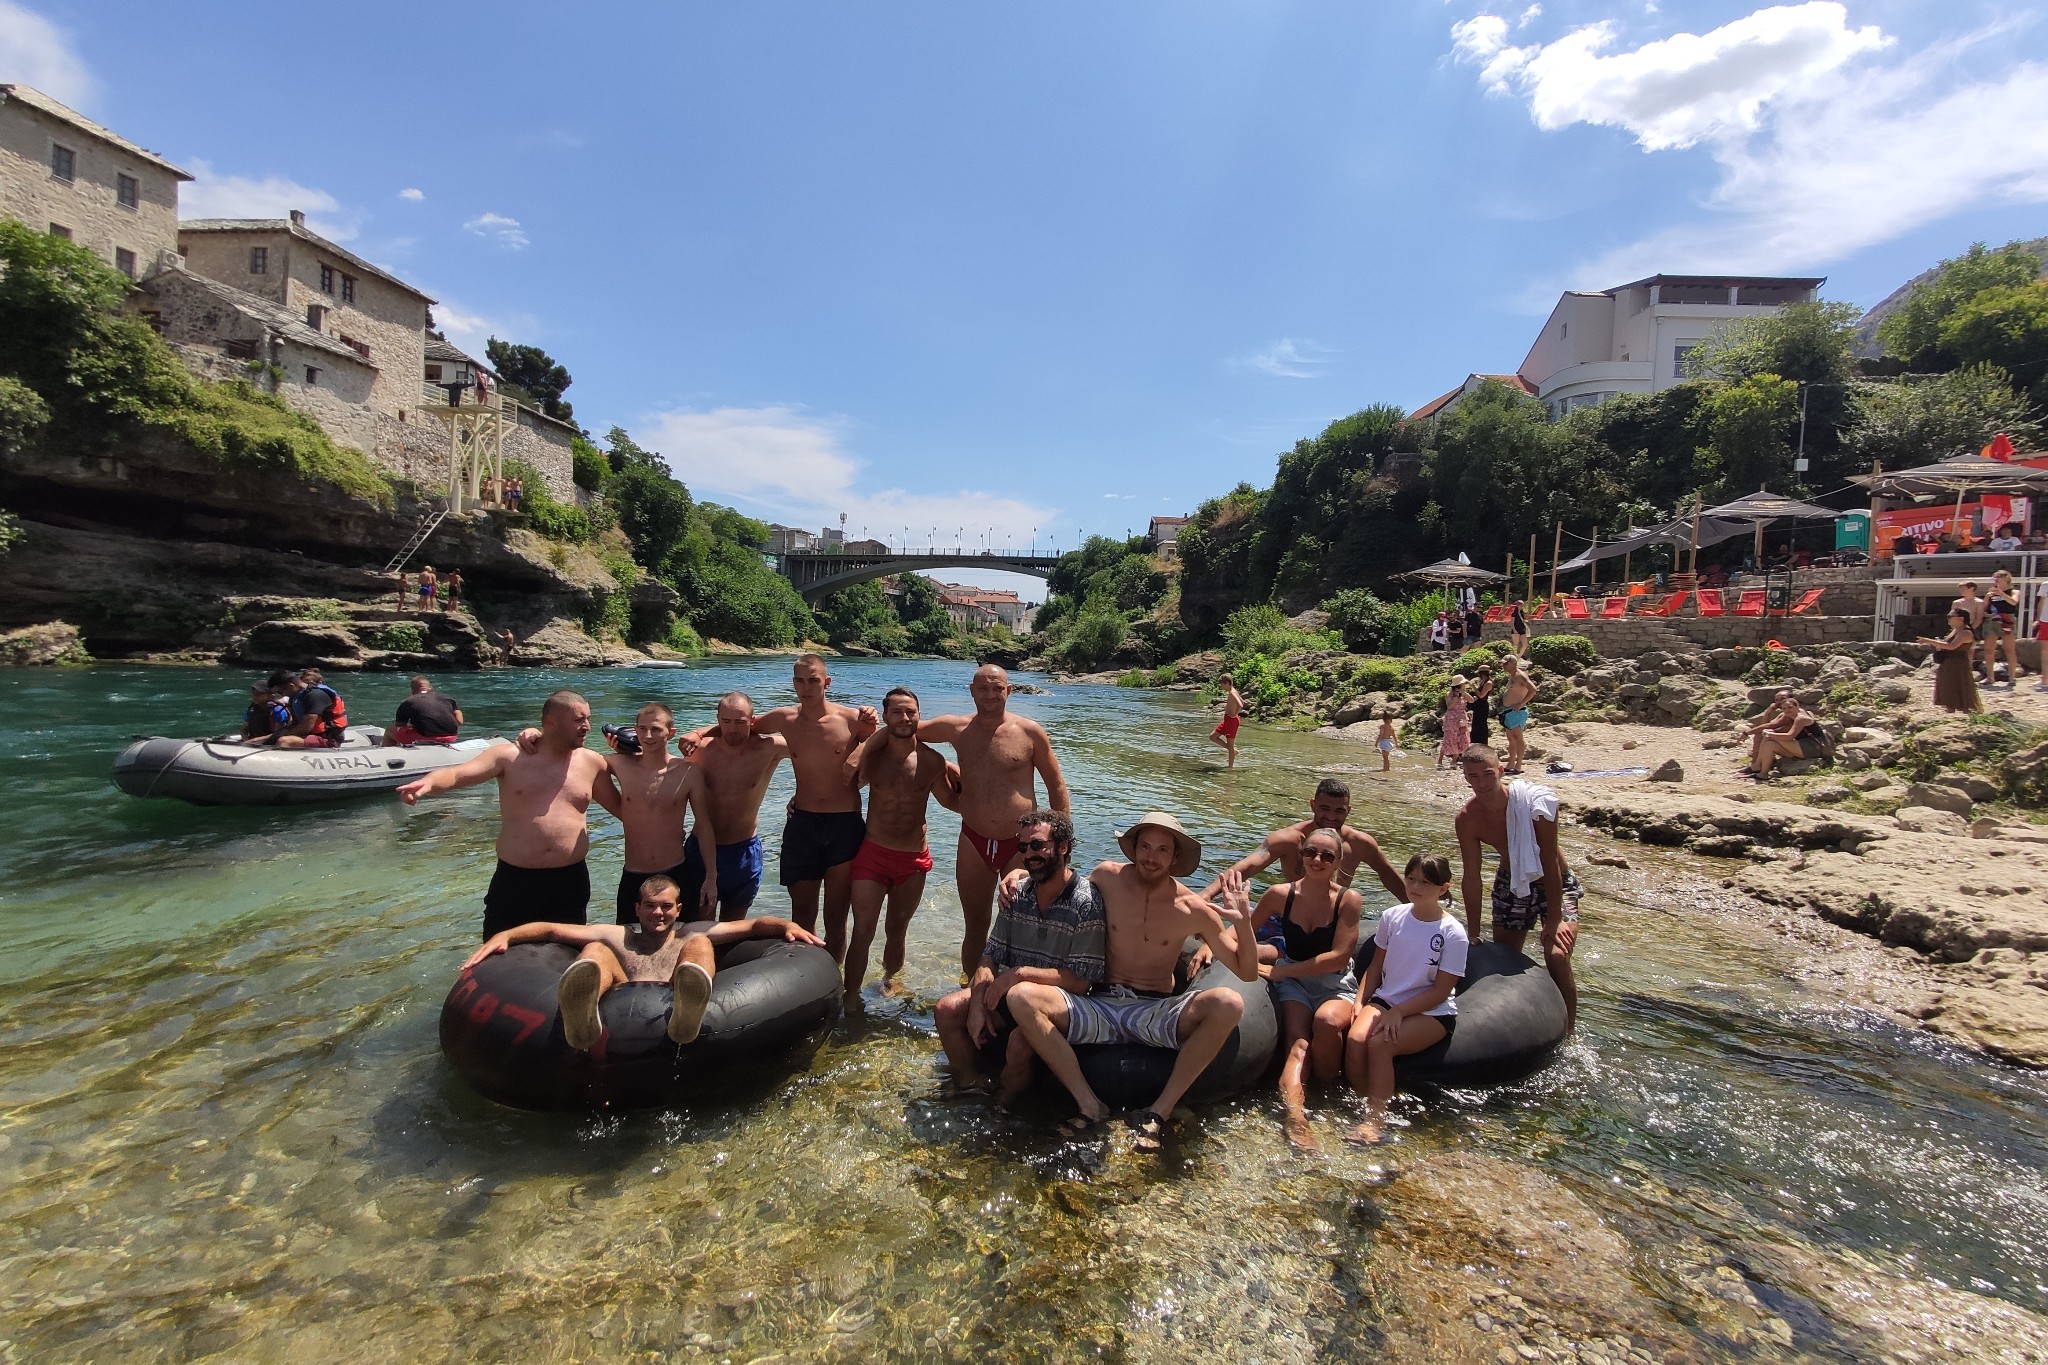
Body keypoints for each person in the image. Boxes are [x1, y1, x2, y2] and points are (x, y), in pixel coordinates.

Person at [1004, 816, 1258, 1151]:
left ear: (1175, 858)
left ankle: (1159, 1111)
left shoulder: (1194, 909)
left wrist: (1243, 924)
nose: (1151, 857)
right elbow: (1059, 878)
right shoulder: (1107, 878)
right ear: (1133, 849)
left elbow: (1247, 972)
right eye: (1145, 847)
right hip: (1100, 1003)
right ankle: (1089, 1104)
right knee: (1021, 995)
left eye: (1162, 850)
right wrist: (1019, 874)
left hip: (1155, 1010)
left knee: (1230, 1003)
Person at [460, 875, 823, 1050]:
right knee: (598, 951)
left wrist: (788, 925)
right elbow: (553, 930)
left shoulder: (691, 930)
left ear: (678, 909)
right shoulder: (619, 935)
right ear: (637, 909)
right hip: (620, 1011)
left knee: (698, 943)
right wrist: (505, 935)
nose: (658, 913)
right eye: (650, 906)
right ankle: (583, 1013)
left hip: (676, 1004)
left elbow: (754, 924)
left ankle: (690, 997)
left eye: (666, 906)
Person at [686, 655, 877, 958]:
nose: (806, 687)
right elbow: (739, 724)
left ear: (826, 682)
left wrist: (862, 748)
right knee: (801, 916)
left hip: (844, 824)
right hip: (802, 824)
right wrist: (696, 734)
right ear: (793, 683)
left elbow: (884, 744)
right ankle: (803, 975)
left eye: (813, 680)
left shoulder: (852, 719)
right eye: (800, 680)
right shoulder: (784, 719)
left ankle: (834, 983)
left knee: (836, 917)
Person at [398, 690, 617, 937]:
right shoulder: (509, 756)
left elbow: (623, 809)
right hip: (516, 881)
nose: (587, 726)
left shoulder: (592, 762)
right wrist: (429, 782)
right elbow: (458, 774)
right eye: (578, 720)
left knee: (563, 959)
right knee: (497, 952)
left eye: (588, 718)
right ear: (551, 723)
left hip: (569, 881)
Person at [934, 809, 1106, 1100]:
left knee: (1018, 1042)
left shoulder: (1085, 902)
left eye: (1038, 845)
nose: (1029, 854)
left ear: (1062, 847)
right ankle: (969, 1084)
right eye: (1023, 847)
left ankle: (1005, 1105)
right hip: (1009, 997)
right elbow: (990, 955)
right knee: (947, 1009)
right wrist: (977, 1003)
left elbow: (1080, 982)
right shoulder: (1017, 893)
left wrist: (1018, 975)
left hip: (1058, 1005)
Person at [918, 664, 1071, 979]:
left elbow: (1056, 786)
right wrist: (940, 764)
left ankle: (1015, 993)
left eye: (997, 688)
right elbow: (904, 730)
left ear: (1009, 691)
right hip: (973, 839)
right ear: (972, 691)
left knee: (1022, 924)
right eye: (983, 688)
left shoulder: (1030, 732)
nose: (990, 695)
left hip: (1021, 844)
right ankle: (970, 991)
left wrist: (1061, 844)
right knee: (975, 924)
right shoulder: (956, 729)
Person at [842, 687, 960, 1002]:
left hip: (912, 859)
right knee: (863, 930)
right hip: (873, 853)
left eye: (910, 711)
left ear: (919, 715)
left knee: (898, 928)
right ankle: (850, 996)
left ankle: (888, 980)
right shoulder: (874, 757)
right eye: (897, 711)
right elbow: (844, 781)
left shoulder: (933, 761)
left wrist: (990, 806)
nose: (905, 717)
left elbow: (950, 800)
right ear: (886, 717)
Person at [1343, 853, 1468, 1145]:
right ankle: (1362, 1101)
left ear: (1443, 888)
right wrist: (1360, 1001)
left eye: (1425, 882)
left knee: (1380, 1043)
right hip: (1387, 998)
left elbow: (1440, 990)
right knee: (1355, 1039)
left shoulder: (1452, 933)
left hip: (1432, 1010)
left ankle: (1375, 1121)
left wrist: (1398, 1012)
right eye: (1411, 878)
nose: (1415, 886)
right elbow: (1374, 967)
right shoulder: (1392, 917)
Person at [1456, 746, 1579, 1030]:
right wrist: (1473, 932)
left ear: (1500, 771)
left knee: (1557, 956)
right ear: (1465, 778)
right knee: (1503, 957)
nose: (1482, 783)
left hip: (1555, 883)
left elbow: (1548, 858)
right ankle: (1516, 1025)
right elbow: (1472, 877)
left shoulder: (1534, 805)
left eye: (1488, 774)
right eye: (1473, 777)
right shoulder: (1467, 818)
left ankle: (1569, 1029)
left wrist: (1555, 918)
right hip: (1512, 884)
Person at [1261, 826, 1363, 1153]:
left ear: (1339, 861)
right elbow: (1243, 932)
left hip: (1334, 982)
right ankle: (1296, 1117)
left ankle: (1328, 1088)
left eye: (1327, 855)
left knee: (1328, 1023)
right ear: (1302, 853)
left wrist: (1281, 971)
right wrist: (1208, 947)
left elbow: (1338, 958)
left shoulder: (1348, 900)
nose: (1317, 859)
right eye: (1310, 852)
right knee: (1298, 1041)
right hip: (1294, 981)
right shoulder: (1280, 894)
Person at [1204, 777, 1407, 929]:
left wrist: (1423, 909)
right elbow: (1248, 866)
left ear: (1349, 810)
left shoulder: (1360, 844)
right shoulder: (1289, 839)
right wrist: (1206, 894)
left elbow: (1388, 876)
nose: (1330, 817)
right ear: (1312, 805)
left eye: (1339, 811)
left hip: (1330, 919)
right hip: (1289, 916)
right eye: (1324, 808)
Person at [680, 691, 786, 921]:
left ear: (752, 720)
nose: (732, 729)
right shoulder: (700, 750)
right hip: (701, 850)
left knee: (733, 931)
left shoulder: (769, 747)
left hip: (744, 851)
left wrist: (802, 795)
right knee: (696, 929)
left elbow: (813, 749)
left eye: (740, 722)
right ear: (717, 720)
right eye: (726, 722)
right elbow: (667, 779)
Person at [1744, 690, 1821, 780]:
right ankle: (1763, 773)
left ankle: (1756, 765)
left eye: (1790, 707)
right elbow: (1767, 725)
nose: (1787, 710)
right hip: (1800, 746)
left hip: (1813, 748)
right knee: (1769, 744)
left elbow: (1789, 736)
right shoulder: (1788, 716)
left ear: (1797, 706)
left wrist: (1767, 734)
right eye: (1784, 708)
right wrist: (1768, 713)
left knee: (1768, 737)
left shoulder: (1800, 717)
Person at [1919, 607, 1983, 714]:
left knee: (1959, 686)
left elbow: (1951, 646)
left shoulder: (1965, 632)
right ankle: (1950, 710)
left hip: (1958, 664)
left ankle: (1965, 712)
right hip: (1947, 662)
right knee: (1948, 686)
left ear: (1961, 618)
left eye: (1950, 616)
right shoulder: (1955, 630)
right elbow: (1945, 643)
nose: (1948, 619)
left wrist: (1928, 641)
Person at [269, 668, 349, 749]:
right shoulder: (295, 697)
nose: (280, 696)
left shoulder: (315, 695)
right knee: (261, 739)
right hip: (310, 735)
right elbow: (295, 724)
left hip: (328, 738)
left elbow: (306, 727)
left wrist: (282, 734)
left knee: (284, 741)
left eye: (280, 693)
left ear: (291, 686)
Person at [384, 675, 462, 746]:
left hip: (424, 738)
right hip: (451, 738)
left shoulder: (408, 701)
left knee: (389, 731)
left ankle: (387, 754)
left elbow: (400, 727)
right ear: (430, 687)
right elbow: (459, 721)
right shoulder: (447, 698)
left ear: (412, 690)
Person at [1497, 653, 1537, 775]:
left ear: (1513, 664)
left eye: (1506, 664)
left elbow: (1533, 689)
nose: (1503, 667)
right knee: (1511, 739)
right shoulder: (1511, 676)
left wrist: (1521, 704)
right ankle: (1511, 763)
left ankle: (1518, 764)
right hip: (1508, 712)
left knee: (1518, 738)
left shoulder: (1521, 676)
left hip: (1517, 712)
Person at [1984, 569, 2023, 686]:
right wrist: (1986, 607)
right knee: (1989, 649)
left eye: (1999, 579)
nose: (1996, 581)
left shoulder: (2014, 591)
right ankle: (1990, 677)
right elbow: (1984, 608)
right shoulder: (1990, 594)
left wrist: (2001, 593)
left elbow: (2013, 602)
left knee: (2009, 649)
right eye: (1995, 579)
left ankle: (2012, 677)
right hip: (1993, 620)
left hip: (2007, 619)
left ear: (2006, 580)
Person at [1953, 581, 1989, 684]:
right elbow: (1952, 616)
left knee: (1970, 651)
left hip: (1972, 629)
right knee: (1955, 650)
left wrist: (1969, 629)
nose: (1961, 591)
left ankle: (1967, 674)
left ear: (1972, 589)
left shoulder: (1979, 602)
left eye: (1963, 588)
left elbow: (1979, 618)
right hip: (1958, 629)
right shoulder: (1957, 603)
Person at [238, 675, 291, 742]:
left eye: (258, 694)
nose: (254, 696)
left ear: (270, 695)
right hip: (252, 742)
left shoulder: (277, 710)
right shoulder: (252, 708)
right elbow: (244, 729)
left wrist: (255, 740)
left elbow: (279, 733)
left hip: (270, 744)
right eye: (253, 693)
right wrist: (247, 740)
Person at [1209, 670, 1244, 768]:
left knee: (1230, 745)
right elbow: (1242, 700)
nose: (1221, 686)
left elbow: (1241, 704)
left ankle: (1230, 768)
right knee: (1212, 737)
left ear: (1227, 683)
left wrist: (1234, 714)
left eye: (1222, 684)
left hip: (1231, 721)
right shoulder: (1233, 691)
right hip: (1227, 720)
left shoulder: (1232, 693)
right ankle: (1233, 751)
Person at [1436, 677, 1470, 770]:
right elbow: (1450, 706)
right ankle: (1440, 761)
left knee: (1461, 738)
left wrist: (1463, 693)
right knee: (1449, 739)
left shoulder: (1463, 694)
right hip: (1451, 719)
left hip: (1462, 718)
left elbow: (1471, 700)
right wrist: (1456, 696)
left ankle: (1454, 761)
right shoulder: (1450, 694)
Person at [1468, 664, 1494, 750]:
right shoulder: (1483, 681)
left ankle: (1482, 744)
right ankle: (1474, 743)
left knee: (1481, 726)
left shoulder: (1488, 683)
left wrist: (1474, 687)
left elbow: (1482, 695)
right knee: (1475, 725)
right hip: (1478, 706)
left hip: (1482, 707)